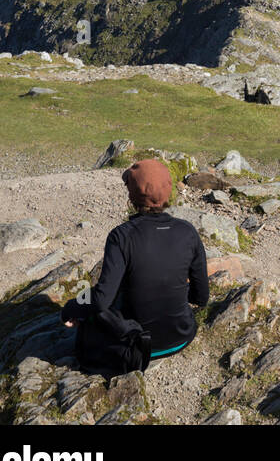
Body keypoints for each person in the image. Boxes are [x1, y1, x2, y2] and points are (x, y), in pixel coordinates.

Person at [61, 158, 209, 371]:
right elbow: (201, 297)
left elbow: (102, 299)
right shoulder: (187, 231)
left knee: (94, 305)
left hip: (137, 345)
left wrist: (71, 308)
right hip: (182, 338)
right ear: (168, 192)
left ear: (132, 196)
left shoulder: (121, 236)